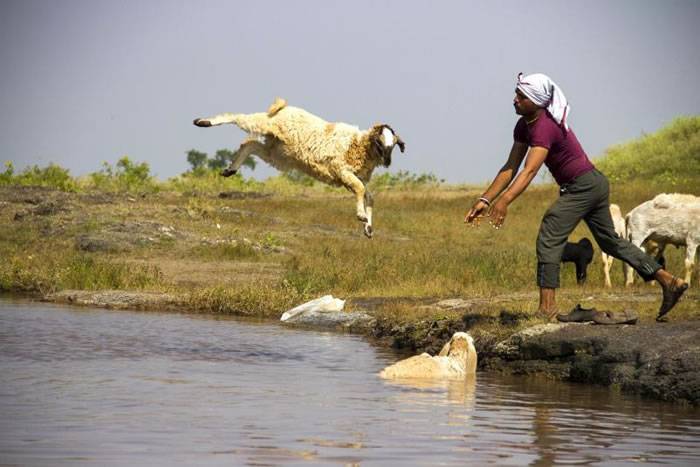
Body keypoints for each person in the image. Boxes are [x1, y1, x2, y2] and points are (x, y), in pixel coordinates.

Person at [465, 72, 688, 322]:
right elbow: (510, 167)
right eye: (516, 93)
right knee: (611, 243)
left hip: (583, 185)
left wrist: (505, 201)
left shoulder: (544, 126)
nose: (514, 99)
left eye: (521, 95)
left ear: (536, 100)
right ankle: (669, 281)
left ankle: (547, 308)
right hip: (592, 183)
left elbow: (529, 170)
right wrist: (485, 200)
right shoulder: (524, 126)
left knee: (550, 231)